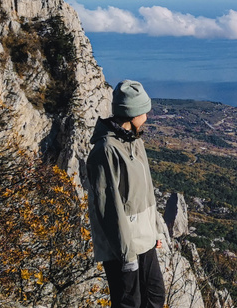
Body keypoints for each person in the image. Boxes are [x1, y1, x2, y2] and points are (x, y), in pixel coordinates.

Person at [87, 79, 166, 308]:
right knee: (128, 303)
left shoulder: (135, 143)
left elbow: (146, 191)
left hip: (145, 239)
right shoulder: (106, 150)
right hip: (122, 246)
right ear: (132, 115)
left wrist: (155, 229)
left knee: (155, 296)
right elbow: (108, 208)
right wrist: (126, 255)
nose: (147, 117)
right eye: (144, 112)